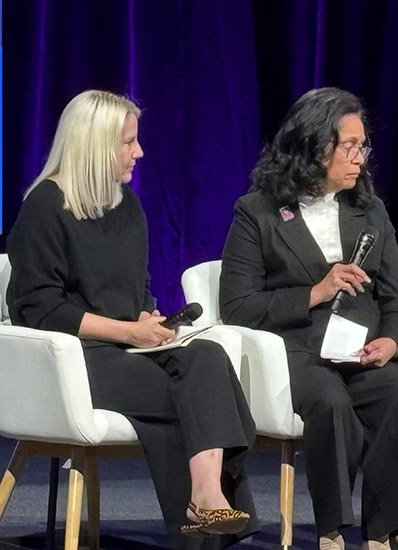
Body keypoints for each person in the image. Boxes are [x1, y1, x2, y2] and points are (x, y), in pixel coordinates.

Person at [5, 90, 257, 549]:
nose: (138, 152)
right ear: (95, 145)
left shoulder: (127, 207)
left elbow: (135, 287)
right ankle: (205, 508)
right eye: (128, 142)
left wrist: (151, 319)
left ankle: (205, 495)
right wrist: (128, 331)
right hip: (74, 360)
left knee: (208, 359)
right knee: (197, 400)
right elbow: (40, 309)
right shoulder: (44, 207)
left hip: (130, 347)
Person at [219, 87, 398, 550]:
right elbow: (237, 306)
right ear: (313, 146)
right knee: (330, 405)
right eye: (349, 146)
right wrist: (316, 291)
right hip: (298, 353)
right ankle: (332, 529)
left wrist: (393, 343)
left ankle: (383, 532)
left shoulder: (369, 210)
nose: (360, 158)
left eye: (362, 146)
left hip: (364, 353)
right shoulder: (258, 212)